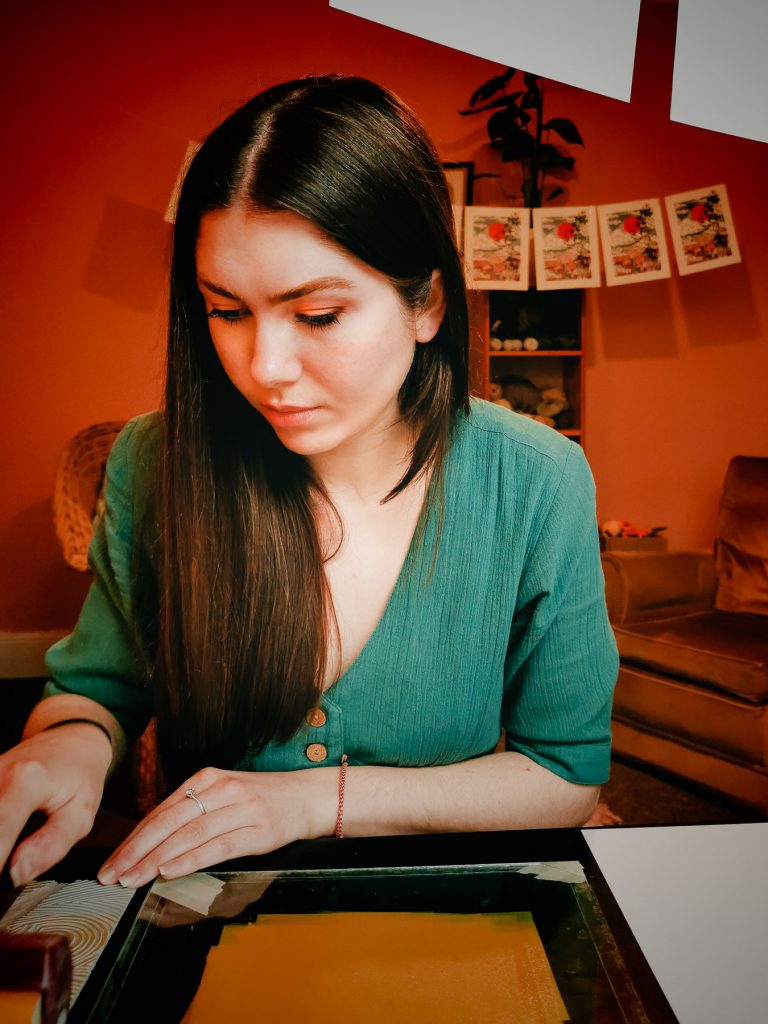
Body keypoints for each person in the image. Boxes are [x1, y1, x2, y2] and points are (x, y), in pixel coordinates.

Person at [0, 75, 618, 890]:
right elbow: (93, 692)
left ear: (427, 303)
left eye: (318, 315)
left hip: (444, 918)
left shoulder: (536, 482)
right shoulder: (157, 463)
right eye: (226, 311)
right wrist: (67, 744)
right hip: (213, 921)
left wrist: (310, 802)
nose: (265, 369)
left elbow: (566, 778)